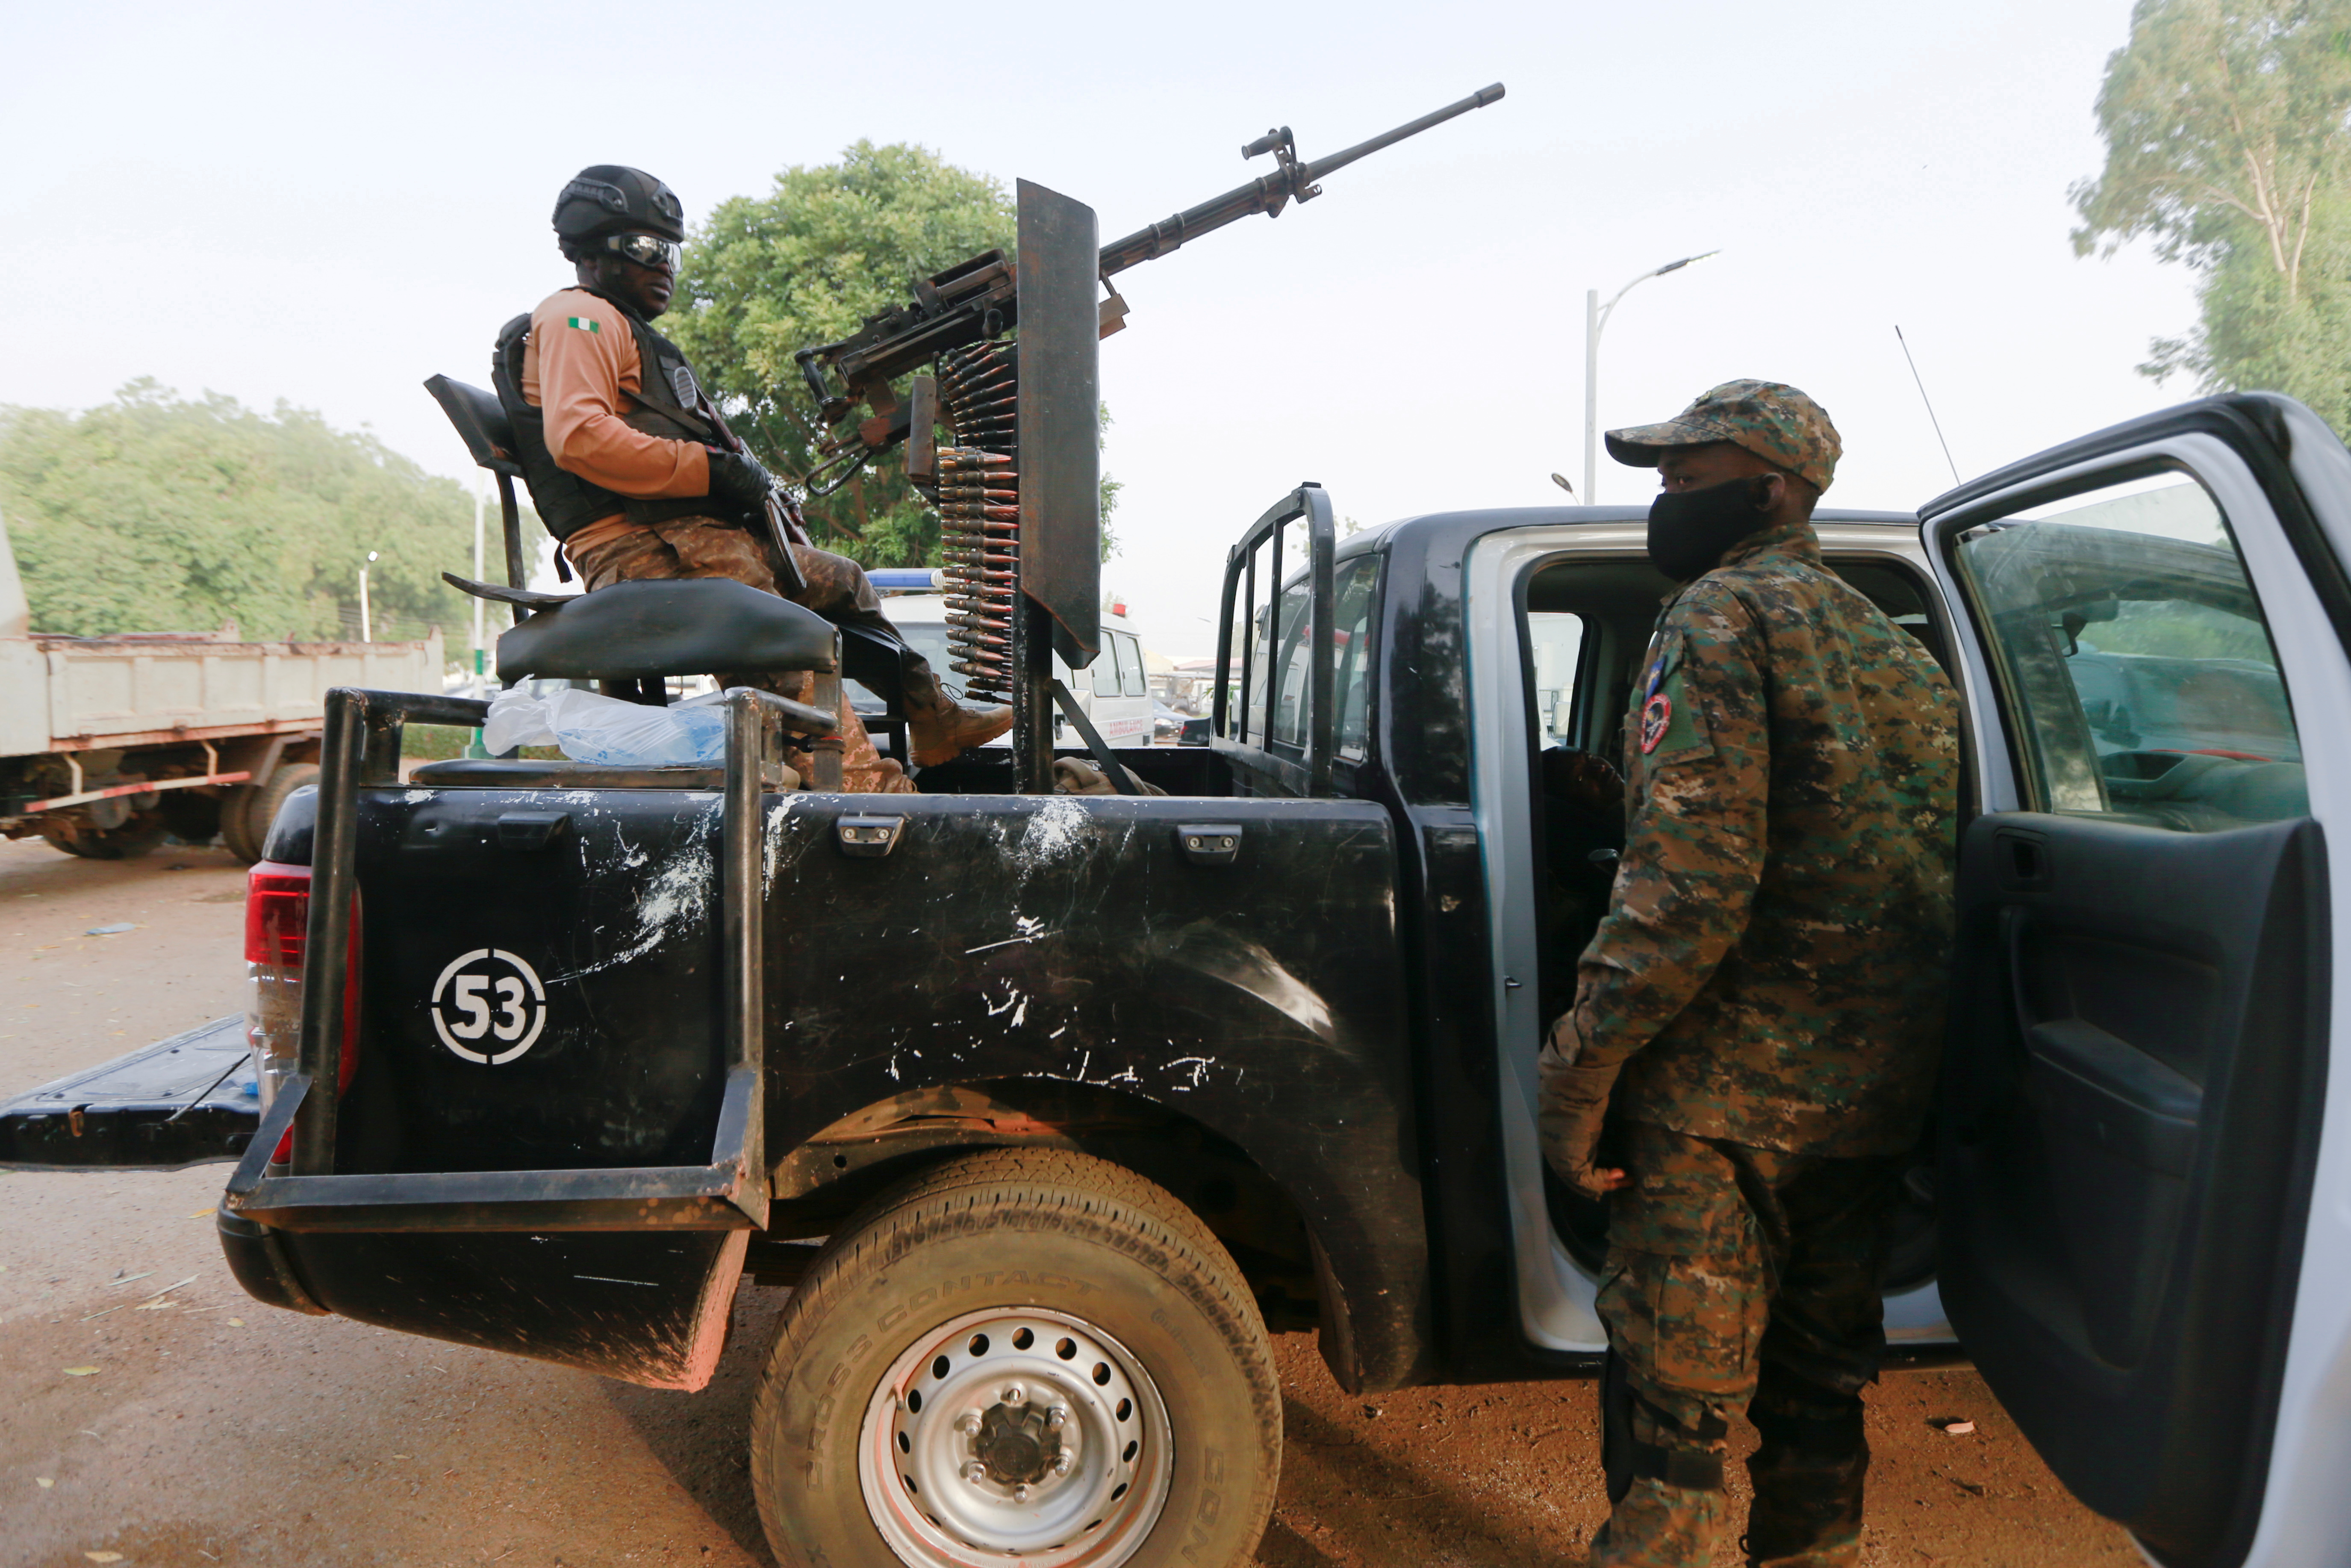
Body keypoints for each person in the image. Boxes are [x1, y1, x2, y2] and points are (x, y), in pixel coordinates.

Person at [1537, 381, 1961, 1567]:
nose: (1665, 497)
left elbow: (1687, 892)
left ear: (1772, 491)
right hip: (1867, 1099)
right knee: (1819, 1390)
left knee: (1674, 1425)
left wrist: (1578, 1067)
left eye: (1687, 477)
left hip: (1715, 1106)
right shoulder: (1888, 644)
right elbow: (1863, 844)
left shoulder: (1714, 615)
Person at [493, 164, 1012, 790]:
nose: (665, 265)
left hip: (689, 540)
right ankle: (864, 790)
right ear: (593, 251)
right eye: (646, 248)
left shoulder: (632, 333)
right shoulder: (578, 316)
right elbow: (579, 438)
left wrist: (743, 484)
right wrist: (711, 469)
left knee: (844, 580)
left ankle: (934, 719)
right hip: (643, 549)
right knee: (772, 627)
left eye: (671, 252)